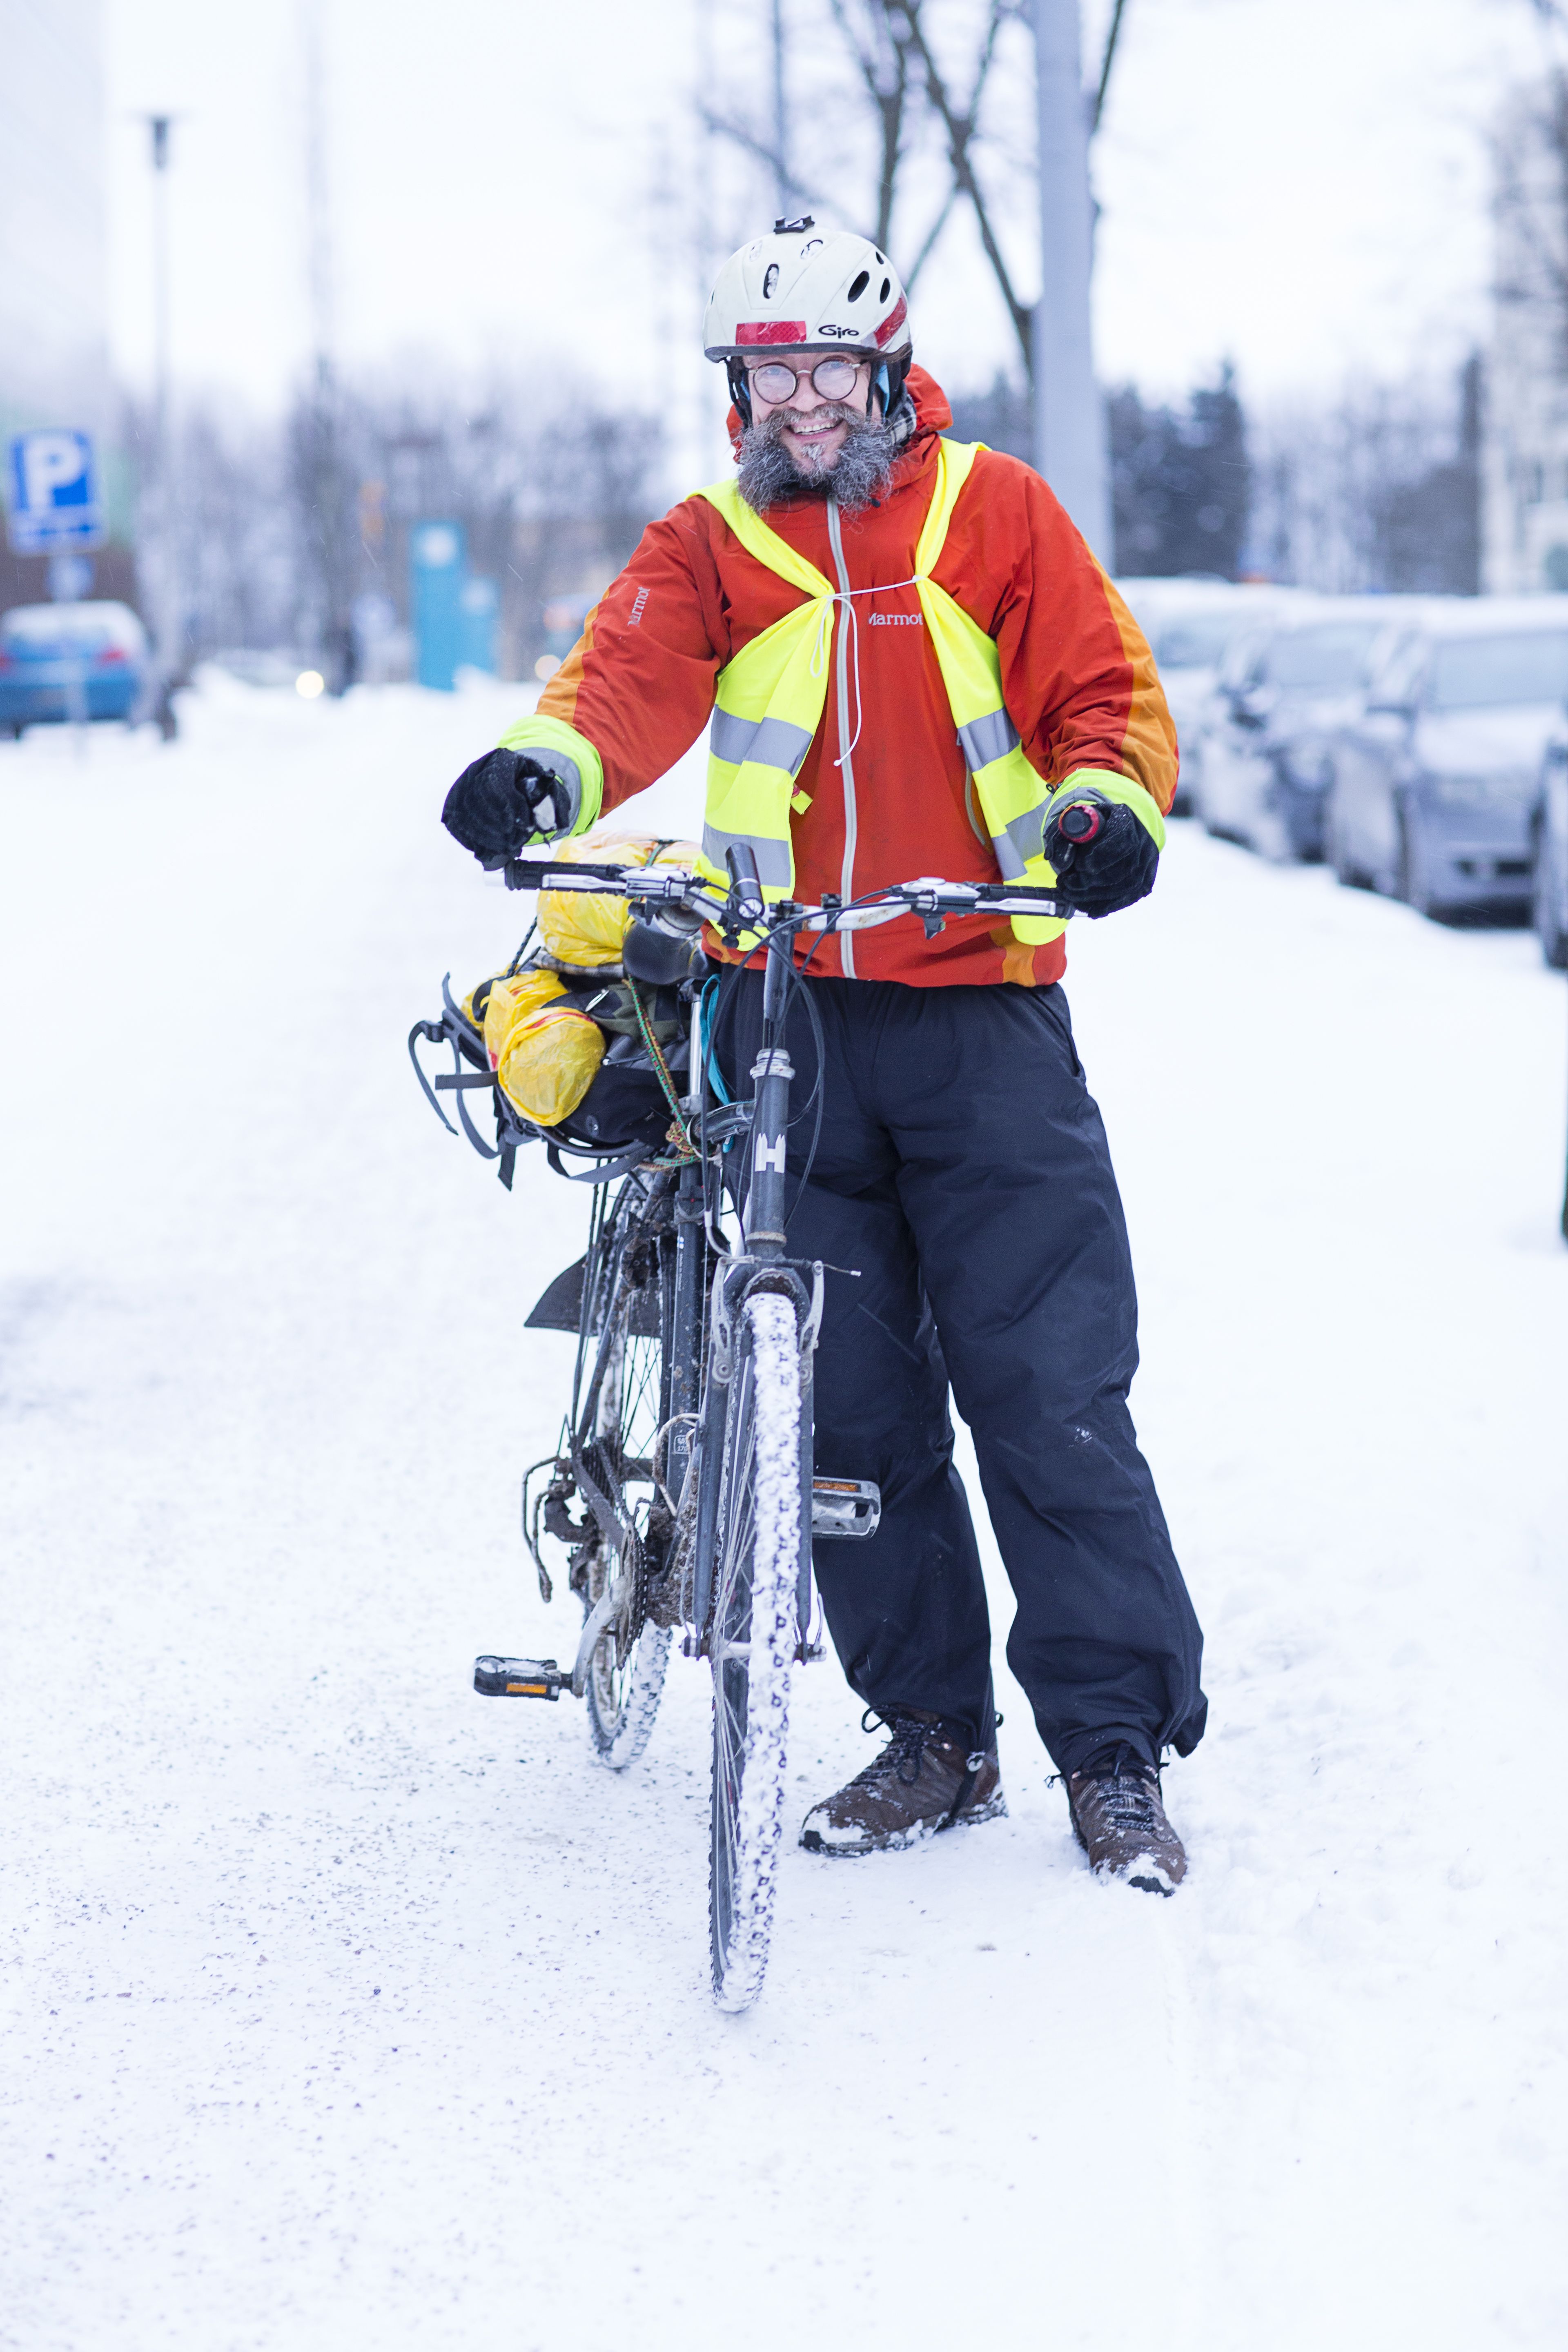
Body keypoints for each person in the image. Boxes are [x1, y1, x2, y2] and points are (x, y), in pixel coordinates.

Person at [442, 218, 1207, 1895]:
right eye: (768, 371)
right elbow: (618, 682)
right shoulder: (718, 545)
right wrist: (540, 773)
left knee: (1051, 1394)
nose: (800, 402)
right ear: (740, 388)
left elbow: (1108, 696)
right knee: (843, 1409)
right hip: (783, 1012)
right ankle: (930, 1736)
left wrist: (1104, 813)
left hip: (980, 1003)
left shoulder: (995, 513)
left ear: (885, 370)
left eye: (826, 368)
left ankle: (1112, 1753)